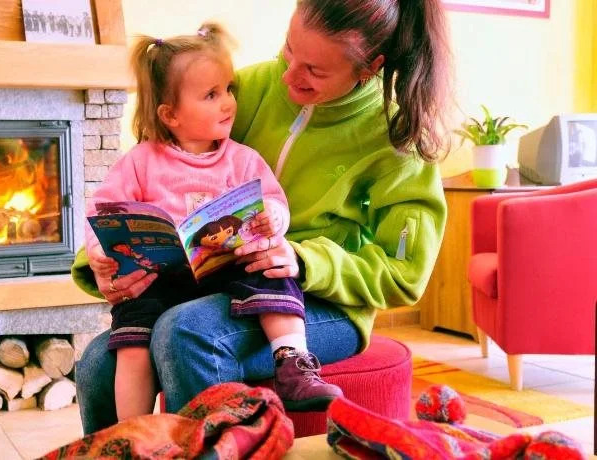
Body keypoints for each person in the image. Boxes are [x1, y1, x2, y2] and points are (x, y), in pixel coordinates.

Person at [73, 0, 450, 434]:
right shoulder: (247, 88)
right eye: (289, 50)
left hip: (320, 301)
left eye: (314, 71)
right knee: (98, 363)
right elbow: (150, 176)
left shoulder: (397, 135)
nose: (288, 76)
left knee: (185, 332)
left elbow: (405, 274)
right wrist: (104, 264)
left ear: (370, 67)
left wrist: (306, 261)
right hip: (215, 281)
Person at [83, 22, 345, 423]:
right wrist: (100, 253)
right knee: (131, 340)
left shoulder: (241, 159)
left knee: (271, 267)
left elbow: (273, 200)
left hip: (226, 272)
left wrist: (273, 218)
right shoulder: (140, 161)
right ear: (170, 114)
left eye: (228, 90)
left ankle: (293, 363)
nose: (228, 103)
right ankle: (134, 430)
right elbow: (102, 212)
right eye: (211, 95)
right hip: (161, 281)